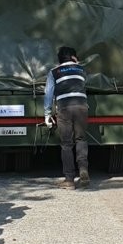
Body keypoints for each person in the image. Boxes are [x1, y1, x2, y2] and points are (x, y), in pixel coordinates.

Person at [44, 45, 90, 187]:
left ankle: (69, 179)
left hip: (64, 107)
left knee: (66, 144)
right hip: (82, 106)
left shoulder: (54, 72)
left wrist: (47, 113)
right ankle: (83, 171)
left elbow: (48, 93)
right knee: (81, 139)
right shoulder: (82, 70)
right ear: (74, 58)